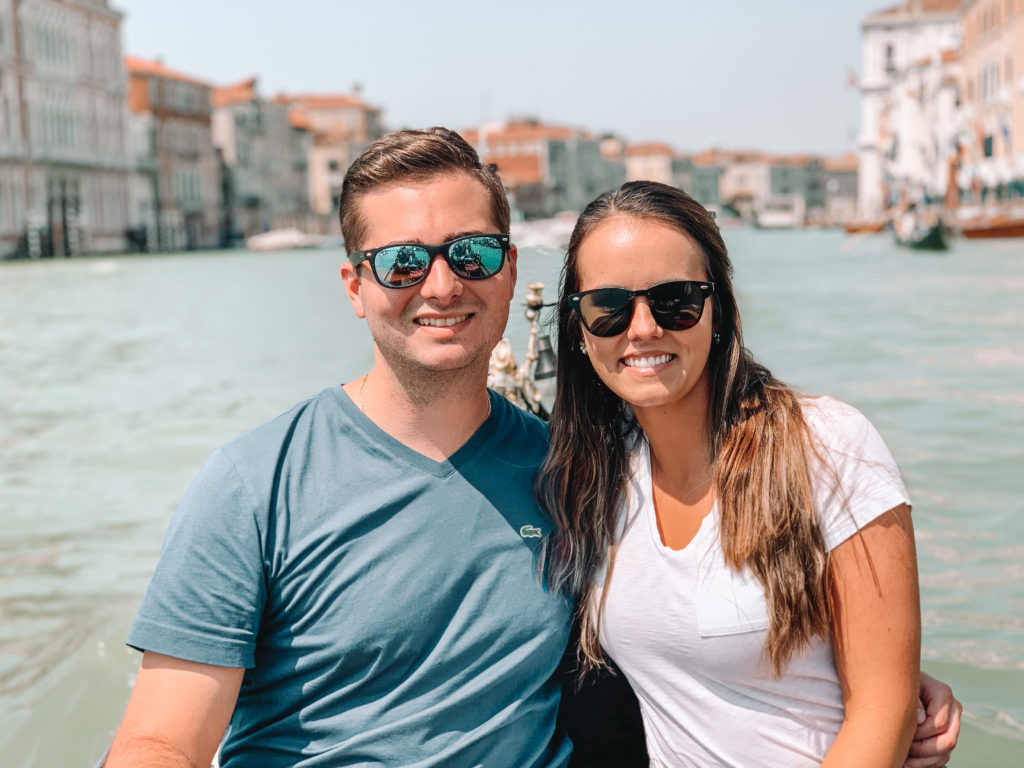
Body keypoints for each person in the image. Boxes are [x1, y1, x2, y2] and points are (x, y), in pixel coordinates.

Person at [106, 130, 960, 767]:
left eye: (469, 253)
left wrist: (888, 697)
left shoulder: (574, 472)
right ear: (353, 285)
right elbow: (160, 741)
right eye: (402, 262)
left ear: (511, 274)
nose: (441, 284)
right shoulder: (256, 482)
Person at [538, 180, 959, 767]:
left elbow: (882, 713)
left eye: (676, 299)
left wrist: (900, 671)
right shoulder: (594, 474)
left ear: (719, 310)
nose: (642, 329)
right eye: (608, 307)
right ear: (579, 330)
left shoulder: (829, 445)